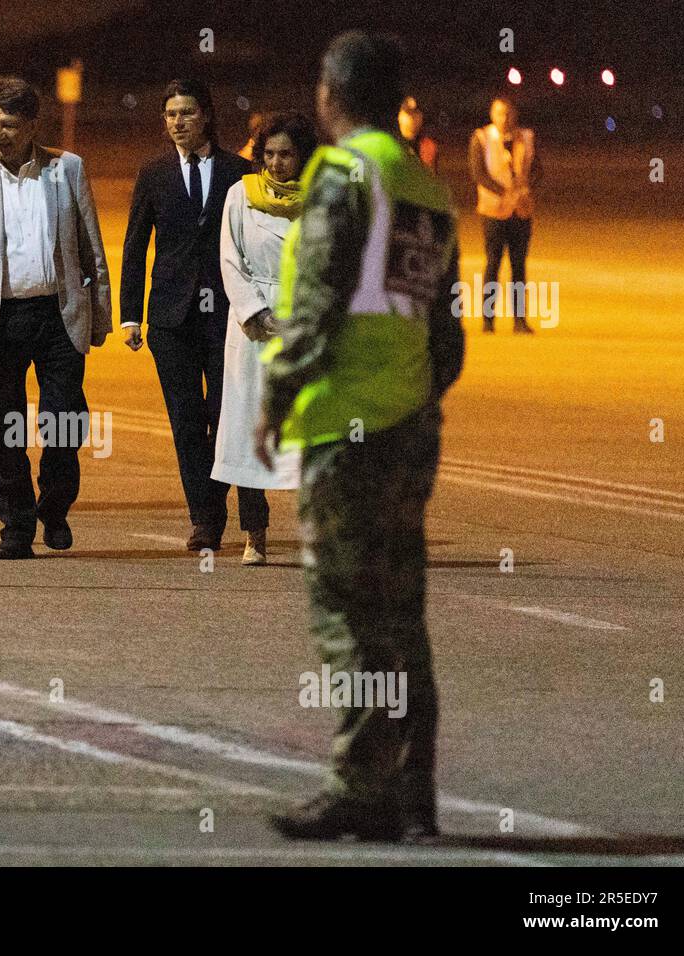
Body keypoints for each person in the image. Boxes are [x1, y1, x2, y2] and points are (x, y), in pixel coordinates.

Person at [255, 31, 465, 841]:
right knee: (402, 614)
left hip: (348, 428)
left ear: (330, 94)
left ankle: (358, 787)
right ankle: (413, 793)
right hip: (410, 426)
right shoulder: (425, 184)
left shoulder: (342, 175)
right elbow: (446, 335)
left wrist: (277, 393)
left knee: (346, 615)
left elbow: (315, 305)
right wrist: (415, 400)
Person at [0, 77, 112, 559]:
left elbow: (92, 246)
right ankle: (15, 525)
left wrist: (99, 317)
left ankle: (53, 507)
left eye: (9, 125)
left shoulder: (67, 168)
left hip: (58, 314)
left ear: (33, 125)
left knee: (64, 420)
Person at [121, 79, 249, 552]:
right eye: (171, 114)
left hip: (227, 315)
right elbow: (135, 248)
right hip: (171, 319)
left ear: (207, 116)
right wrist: (130, 315)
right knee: (185, 420)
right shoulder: (153, 174)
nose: (177, 123)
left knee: (223, 414)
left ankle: (214, 503)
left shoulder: (241, 171)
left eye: (187, 114)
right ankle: (205, 518)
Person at [214, 112, 317, 566]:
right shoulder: (241, 195)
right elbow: (229, 259)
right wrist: (253, 310)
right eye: (269, 154)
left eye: (287, 154)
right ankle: (255, 532)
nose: (277, 164)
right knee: (247, 429)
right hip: (253, 327)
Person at [469, 95, 541, 334]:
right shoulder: (481, 138)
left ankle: (519, 320)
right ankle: (488, 320)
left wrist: (528, 187)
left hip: (521, 211)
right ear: (492, 115)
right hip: (493, 212)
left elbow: (538, 170)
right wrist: (505, 192)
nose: (504, 118)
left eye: (508, 113)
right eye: (500, 113)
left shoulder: (527, 138)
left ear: (515, 115)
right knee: (493, 264)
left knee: (519, 267)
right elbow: (479, 173)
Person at [397, 96, 437, 173]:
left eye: (414, 113)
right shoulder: (403, 117)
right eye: (408, 113)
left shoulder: (428, 147)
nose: (411, 119)